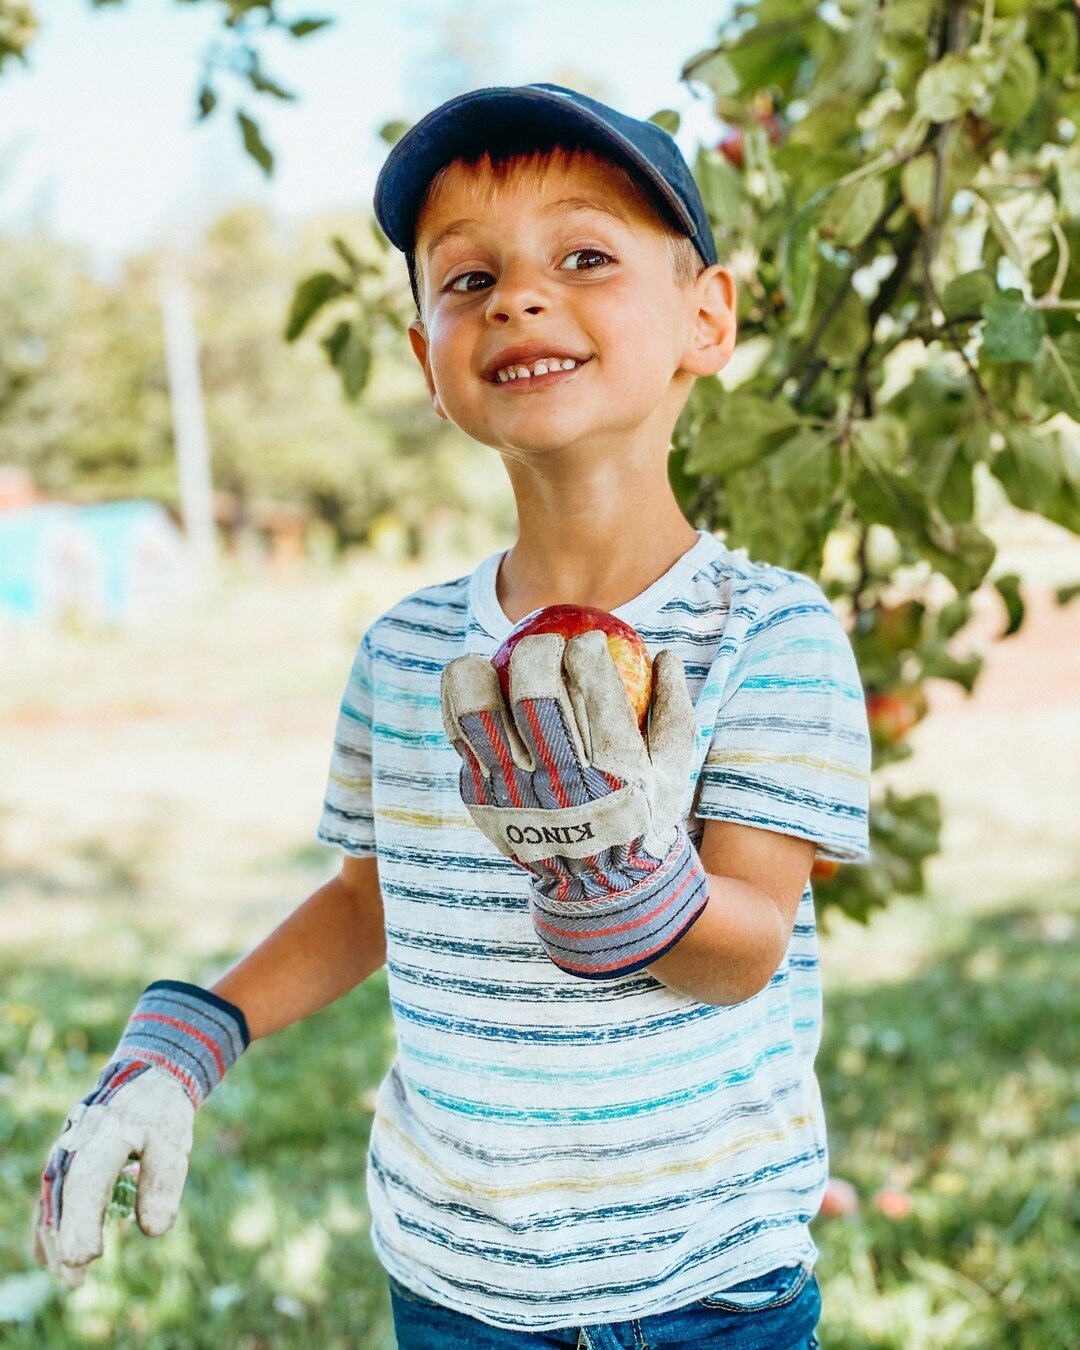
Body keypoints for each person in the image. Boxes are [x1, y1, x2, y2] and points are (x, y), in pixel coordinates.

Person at [31, 83, 871, 1349]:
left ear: (708, 317)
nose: (519, 298)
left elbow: (746, 945)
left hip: (705, 1289)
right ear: (429, 360)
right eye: (467, 280)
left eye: (584, 257)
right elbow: (374, 900)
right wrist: (195, 1034)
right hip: (455, 1282)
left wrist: (626, 883)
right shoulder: (408, 650)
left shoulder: (772, 633)